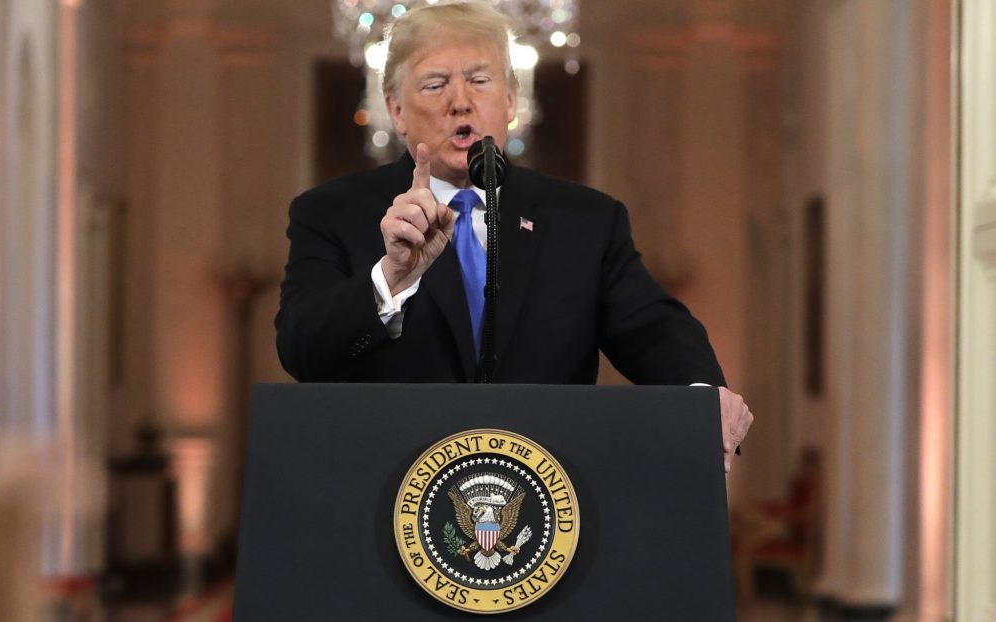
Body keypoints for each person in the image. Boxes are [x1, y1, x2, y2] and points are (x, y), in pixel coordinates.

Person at [274, 1, 752, 471]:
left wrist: (701, 398)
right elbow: (301, 351)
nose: (461, 100)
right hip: (390, 493)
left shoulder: (584, 219)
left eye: (480, 81)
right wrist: (390, 279)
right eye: (435, 83)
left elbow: (653, 329)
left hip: (549, 501)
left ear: (509, 101)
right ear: (397, 111)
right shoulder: (332, 213)